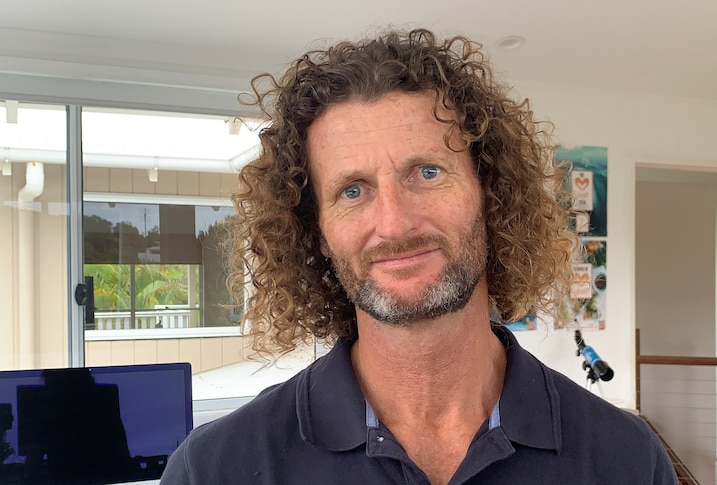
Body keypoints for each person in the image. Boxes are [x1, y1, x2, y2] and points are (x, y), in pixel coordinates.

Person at [161, 28, 677, 485]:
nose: (394, 224)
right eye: (352, 191)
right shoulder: (212, 469)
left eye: (427, 173)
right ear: (317, 232)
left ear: (490, 195)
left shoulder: (627, 459)